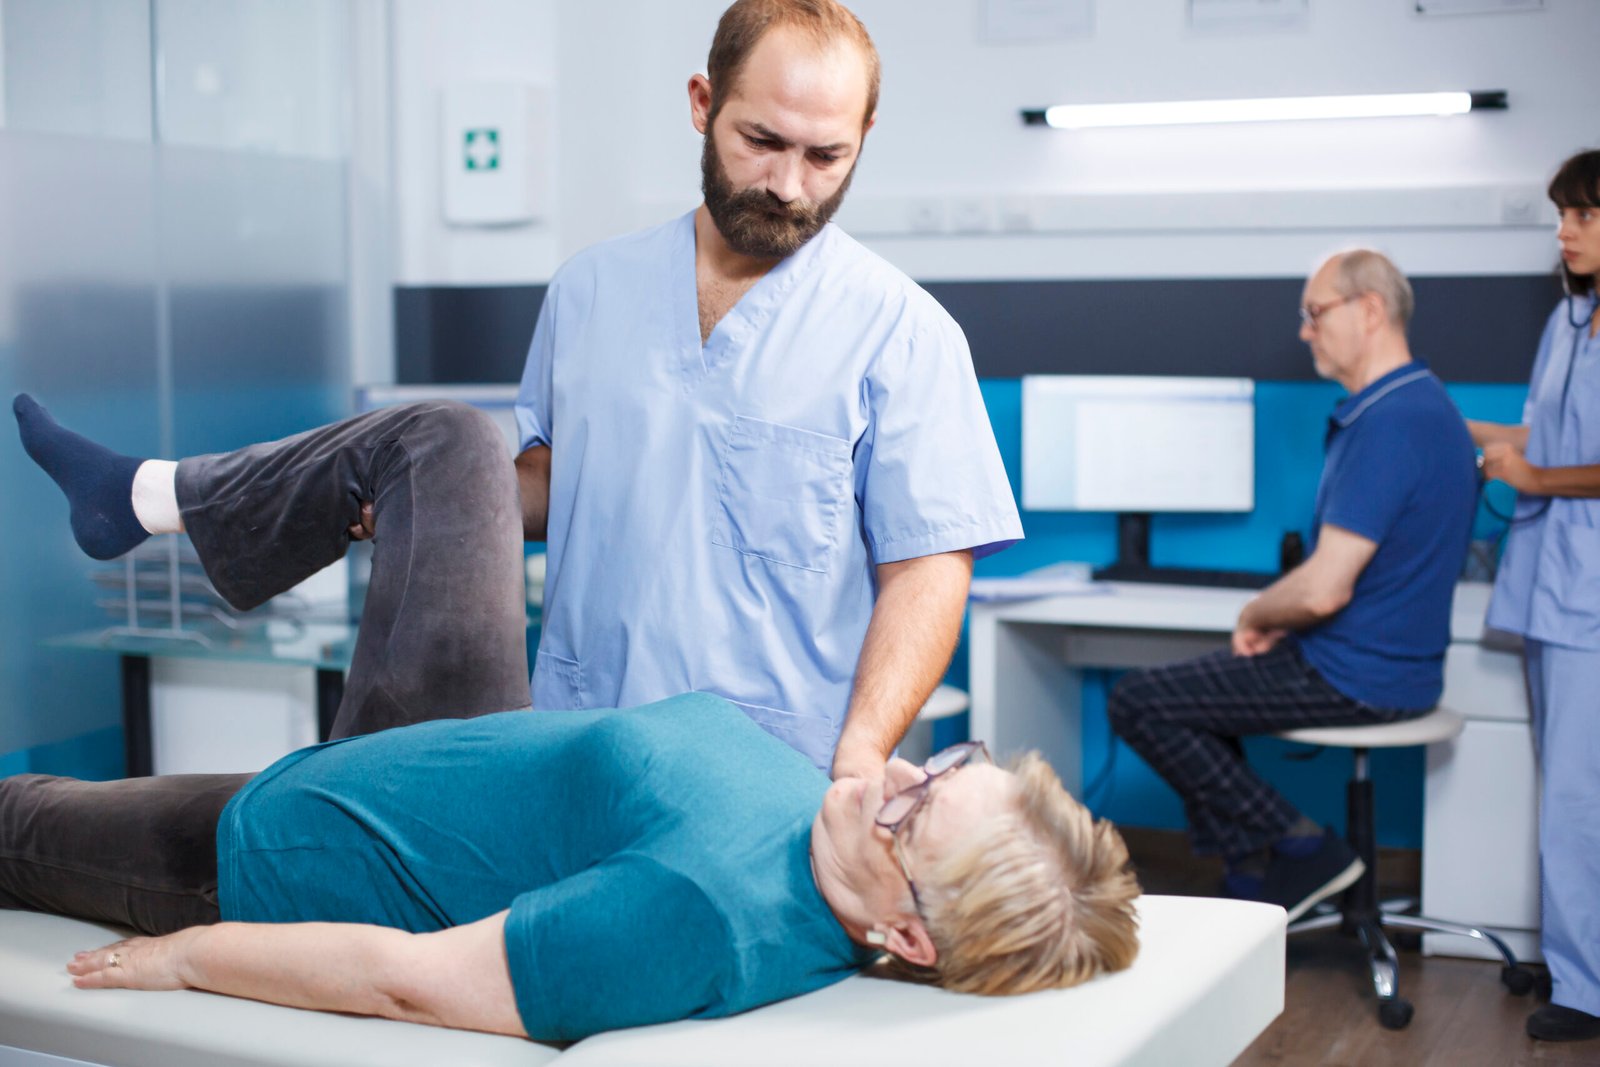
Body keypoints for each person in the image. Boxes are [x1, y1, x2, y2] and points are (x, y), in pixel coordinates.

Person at [4, 395, 1139, 1042]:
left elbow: (406, 976)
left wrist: (193, 957)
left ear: (908, 937)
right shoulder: (831, 819)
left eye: (912, 814)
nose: (895, 775)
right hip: (450, 749)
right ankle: (145, 497)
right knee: (449, 443)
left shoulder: (693, 911)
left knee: (15, 819)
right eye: (944, 765)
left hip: (297, 851)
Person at [508, 0, 1022, 779]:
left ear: (864, 137)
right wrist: (430, 493)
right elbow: (555, 481)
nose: (787, 184)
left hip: (771, 771)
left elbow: (926, 569)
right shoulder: (588, 292)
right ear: (702, 103)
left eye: (826, 156)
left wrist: (862, 747)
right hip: (581, 743)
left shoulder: (903, 333)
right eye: (761, 142)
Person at [1106, 250, 1477, 922]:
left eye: (1314, 313)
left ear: (1369, 309)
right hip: (1390, 668)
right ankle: (1252, 871)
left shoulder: (1391, 421)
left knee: (1138, 700)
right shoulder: (1419, 404)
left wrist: (1258, 608)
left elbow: (1325, 589)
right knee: (1193, 698)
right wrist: (1287, 614)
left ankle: (1299, 846)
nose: (1305, 331)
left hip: (1352, 673)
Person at [1466, 148, 1600, 1045]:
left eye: (1584, 215)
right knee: (1568, 789)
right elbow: (1540, 434)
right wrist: (1460, 427)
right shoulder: (1571, 321)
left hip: (1587, 597)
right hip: (1556, 591)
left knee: (1577, 802)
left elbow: (1555, 460)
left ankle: (1587, 988)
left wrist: (1537, 475)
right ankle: (1577, 963)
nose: (1565, 230)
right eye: (1561, 214)